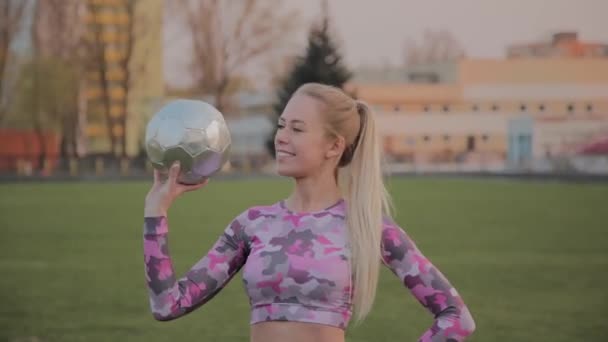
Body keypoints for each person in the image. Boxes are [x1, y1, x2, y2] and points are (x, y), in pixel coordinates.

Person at [143, 83, 476, 342]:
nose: (281, 138)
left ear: (334, 146)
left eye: (297, 129)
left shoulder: (367, 227)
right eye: (281, 125)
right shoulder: (251, 225)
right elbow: (167, 305)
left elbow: (456, 318)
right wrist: (156, 213)